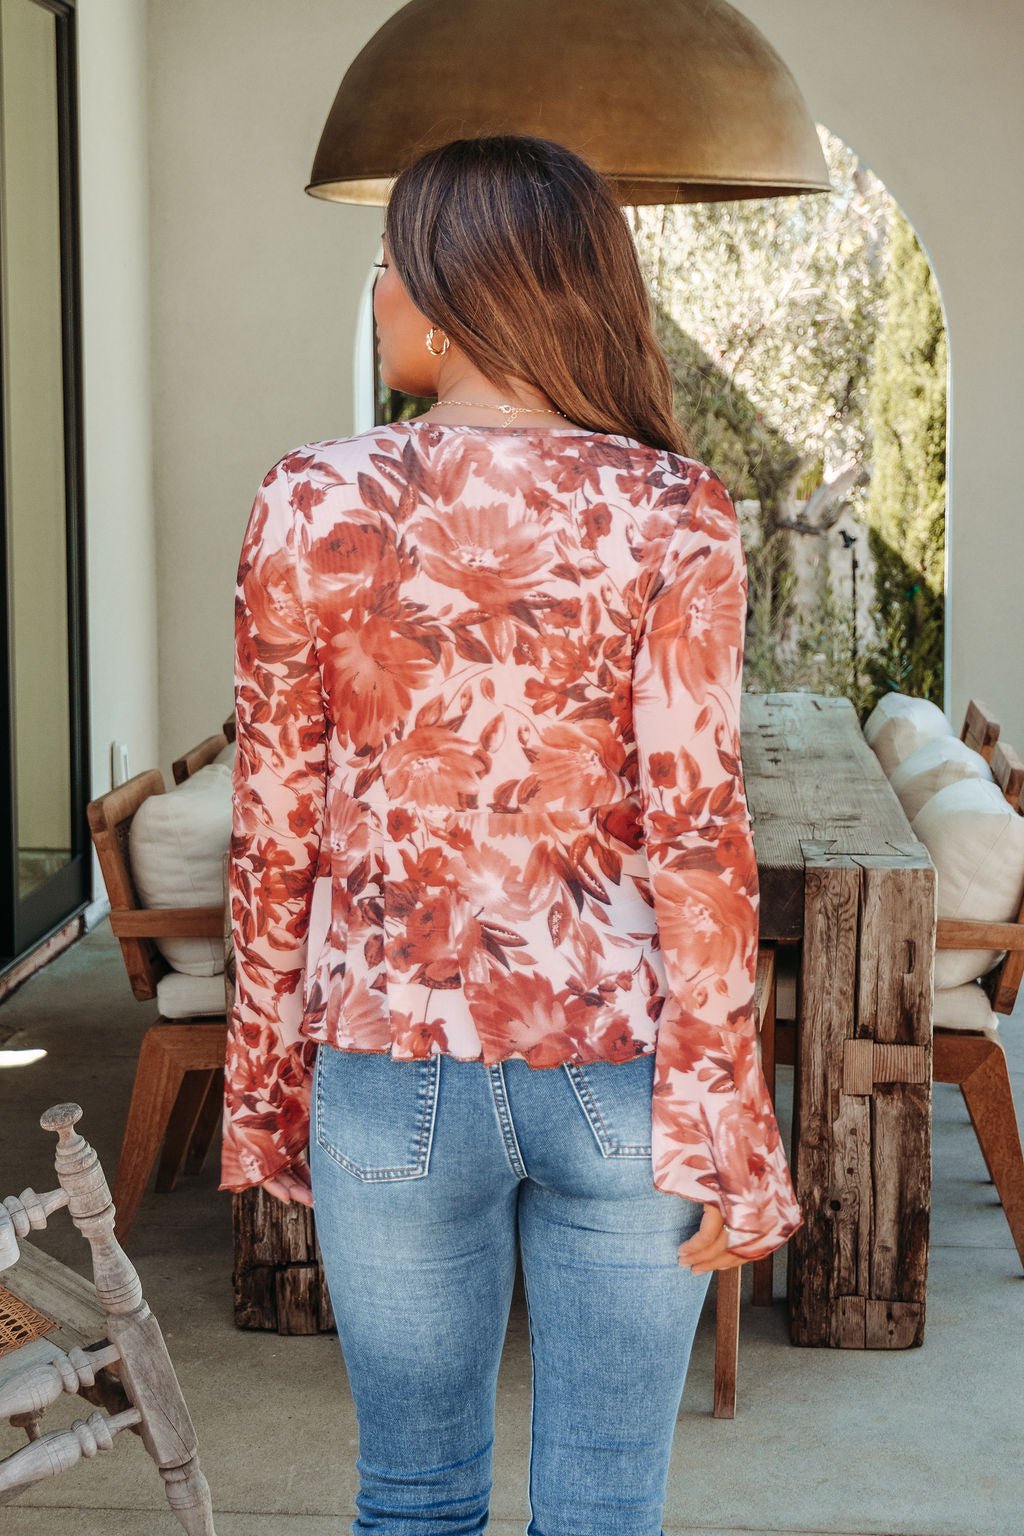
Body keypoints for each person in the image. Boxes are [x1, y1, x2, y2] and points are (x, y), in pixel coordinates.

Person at [219, 132, 803, 1536]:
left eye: (389, 268)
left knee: (411, 1499)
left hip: (384, 1061)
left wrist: (263, 1082)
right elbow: (701, 843)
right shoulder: (677, 509)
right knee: (607, 1507)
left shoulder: (311, 499)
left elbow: (271, 830)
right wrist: (733, 1116)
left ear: (448, 294)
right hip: (620, 1074)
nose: (377, 297)